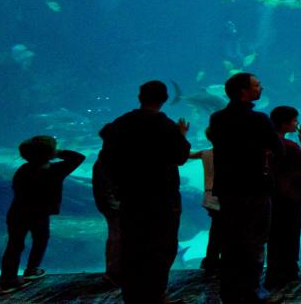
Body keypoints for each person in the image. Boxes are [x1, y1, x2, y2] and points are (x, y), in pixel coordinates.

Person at [99, 80, 191, 304]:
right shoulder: (166, 125)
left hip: (131, 197)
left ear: (140, 97)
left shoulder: (120, 124)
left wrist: (120, 185)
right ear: (164, 99)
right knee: (162, 247)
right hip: (162, 198)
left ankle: (132, 296)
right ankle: (156, 295)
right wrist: (181, 135)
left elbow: (106, 160)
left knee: (132, 246)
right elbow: (180, 157)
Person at [209, 72, 283, 303]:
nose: (261, 88)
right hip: (254, 187)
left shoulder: (217, 118)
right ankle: (254, 290)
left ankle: (229, 290)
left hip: (228, 189)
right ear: (244, 91)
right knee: (254, 239)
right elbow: (277, 147)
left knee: (231, 241)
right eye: (257, 85)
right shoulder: (259, 119)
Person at [0, 135, 85, 293]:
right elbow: (79, 157)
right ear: (50, 153)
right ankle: (30, 270)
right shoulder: (56, 170)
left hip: (18, 212)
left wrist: (49, 153)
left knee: (14, 245)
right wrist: (58, 153)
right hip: (39, 214)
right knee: (40, 239)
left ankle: (8, 278)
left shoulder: (23, 170)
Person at [266, 105, 301, 290]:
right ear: (284, 123)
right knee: (290, 233)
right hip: (290, 195)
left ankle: (273, 271)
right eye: (294, 120)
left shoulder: (265, 143)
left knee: (274, 234)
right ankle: (289, 271)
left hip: (271, 195)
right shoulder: (289, 146)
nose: (296, 123)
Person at [187, 129, 222, 275]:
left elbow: (187, 154)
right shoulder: (230, 155)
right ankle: (215, 262)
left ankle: (211, 261)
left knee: (216, 230)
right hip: (223, 197)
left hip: (208, 196)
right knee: (227, 231)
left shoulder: (205, 153)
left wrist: (181, 135)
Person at [91, 156, 121, 288]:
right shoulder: (108, 160)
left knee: (118, 239)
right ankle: (113, 274)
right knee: (118, 240)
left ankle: (115, 274)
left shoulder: (107, 158)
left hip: (115, 205)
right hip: (115, 207)